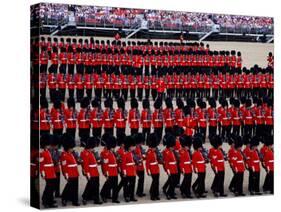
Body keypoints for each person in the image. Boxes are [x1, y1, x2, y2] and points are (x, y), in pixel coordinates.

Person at [80, 137, 103, 205]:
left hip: (95, 171)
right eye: (92, 147)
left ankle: (96, 198)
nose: (93, 148)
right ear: (89, 146)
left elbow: (96, 161)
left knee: (96, 185)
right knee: (90, 185)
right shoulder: (85, 153)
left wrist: (99, 161)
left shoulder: (92, 152)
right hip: (90, 172)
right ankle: (85, 197)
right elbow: (85, 165)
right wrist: (87, 173)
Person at [60, 133, 80, 206]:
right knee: (68, 187)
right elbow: (64, 166)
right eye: (71, 148)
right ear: (68, 147)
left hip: (75, 172)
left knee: (75, 188)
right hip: (70, 173)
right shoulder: (64, 155)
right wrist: (66, 175)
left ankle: (75, 200)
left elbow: (75, 162)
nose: (72, 149)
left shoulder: (71, 153)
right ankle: (64, 198)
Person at [100, 134, 120, 203]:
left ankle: (115, 198)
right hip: (110, 171)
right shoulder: (105, 153)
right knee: (108, 184)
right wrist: (106, 173)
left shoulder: (111, 151)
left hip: (114, 170)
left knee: (115, 185)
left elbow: (114, 160)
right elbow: (105, 164)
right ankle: (103, 194)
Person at [40, 134, 57, 208]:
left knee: (51, 187)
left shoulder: (47, 151)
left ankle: (47, 199)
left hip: (51, 172)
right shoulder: (42, 153)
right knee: (49, 187)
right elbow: (41, 164)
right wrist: (43, 173)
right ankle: (47, 201)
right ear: (45, 145)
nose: (50, 145)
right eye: (48, 144)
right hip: (47, 173)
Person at [162, 133, 178, 200]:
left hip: (174, 168)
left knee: (173, 181)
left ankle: (170, 192)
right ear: (169, 145)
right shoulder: (166, 152)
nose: (173, 148)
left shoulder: (171, 151)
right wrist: (167, 170)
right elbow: (166, 162)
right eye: (172, 147)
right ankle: (169, 194)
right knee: (172, 181)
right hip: (170, 169)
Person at [122, 136, 138, 202]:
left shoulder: (131, 153)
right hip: (128, 171)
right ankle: (126, 196)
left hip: (132, 171)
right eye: (132, 146)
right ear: (129, 146)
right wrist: (125, 173)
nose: (133, 147)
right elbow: (123, 164)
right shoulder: (125, 154)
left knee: (132, 184)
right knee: (127, 185)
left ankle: (132, 196)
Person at [146, 133, 161, 201]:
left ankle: (156, 194)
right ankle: (152, 194)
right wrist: (148, 170)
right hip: (152, 169)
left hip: (156, 168)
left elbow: (157, 160)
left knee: (157, 182)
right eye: (154, 147)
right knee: (154, 182)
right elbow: (147, 163)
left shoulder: (155, 151)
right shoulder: (149, 152)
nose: (155, 148)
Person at [134, 133, 146, 197]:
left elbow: (143, 153)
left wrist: (144, 155)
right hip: (137, 166)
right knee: (140, 179)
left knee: (142, 179)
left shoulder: (140, 147)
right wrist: (138, 159)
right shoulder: (135, 148)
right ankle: (139, 192)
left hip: (141, 166)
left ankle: (140, 191)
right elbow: (134, 156)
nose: (141, 143)